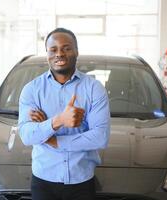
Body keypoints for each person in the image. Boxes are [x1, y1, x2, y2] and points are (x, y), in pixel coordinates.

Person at [18, 28, 110, 200]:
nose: (59, 53)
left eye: (66, 48)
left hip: (81, 182)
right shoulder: (32, 90)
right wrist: (59, 120)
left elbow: (100, 137)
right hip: (43, 181)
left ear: (76, 51)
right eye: (53, 49)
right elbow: (26, 136)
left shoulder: (93, 88)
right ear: (47, 54)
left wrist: (51, 138)